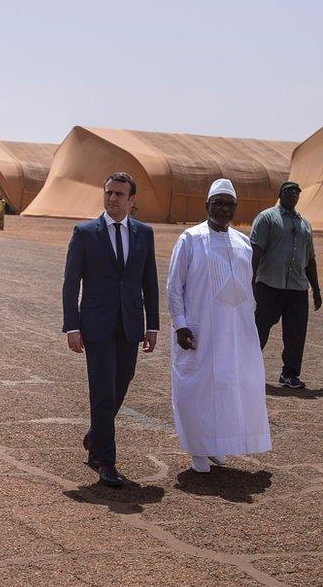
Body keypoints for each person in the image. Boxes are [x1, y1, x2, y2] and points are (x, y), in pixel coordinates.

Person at [62, 172, 159, 488]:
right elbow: (70, 283)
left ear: (132, 200)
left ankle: (95, 436)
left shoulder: (144, 234)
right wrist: (72, 326)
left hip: (130, 324)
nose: (113, 198)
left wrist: (152, 325)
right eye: (109, 193)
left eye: (119, 194)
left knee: (121, 383)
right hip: (97, 324)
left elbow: (149, 283)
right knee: (102, 390)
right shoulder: (86, 233)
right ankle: (107, 462)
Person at [168, 179, 271, 472]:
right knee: (197, 388)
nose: (224, 209)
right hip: (200, 330)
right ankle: (198, 448)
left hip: (235, 332)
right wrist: (180, 325)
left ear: (235, 208)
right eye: (218, 203)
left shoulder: (242, 243)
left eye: (229, 204)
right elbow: (175, 285)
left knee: (229, 386)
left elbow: (246, 289)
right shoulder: (190, 238)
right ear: (207, 206)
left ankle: (216, 444)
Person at [250, 181, 321, 389]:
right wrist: (250, 281)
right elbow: (255, 252)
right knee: (259, 329)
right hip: (270, 285)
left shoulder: (304, 224)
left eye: (296, 192)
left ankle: (290, 374)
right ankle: (246, 369)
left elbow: (310, 259)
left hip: (298, 288)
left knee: (296, 333)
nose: (293, 195)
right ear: (280, 194)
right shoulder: (267, 218)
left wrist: (315, 289)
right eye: (289, 191)